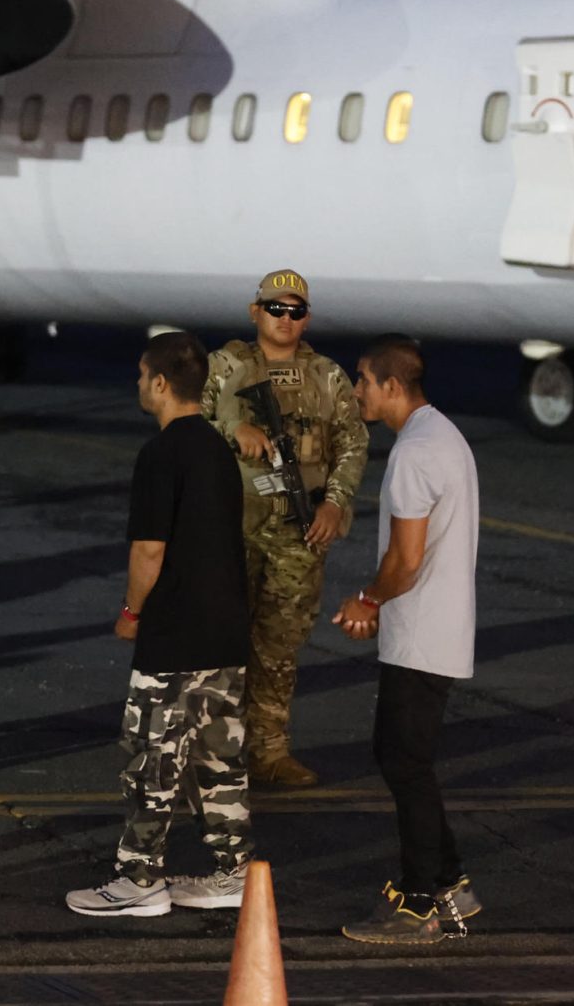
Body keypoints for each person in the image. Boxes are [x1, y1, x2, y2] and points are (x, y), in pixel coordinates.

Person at [65, 332, 255, 917]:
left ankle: (140, 878)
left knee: (152, 757)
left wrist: (130, 613)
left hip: (173, 635)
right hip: (225, 632)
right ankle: (234, 873)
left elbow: (149, 550)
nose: (138, 384)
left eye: (142, 375)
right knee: (219, 762)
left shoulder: (162, 454)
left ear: (161, 384)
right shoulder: (220, 449)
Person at [334, 335, 481, 945]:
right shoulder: (443, 435)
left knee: (405, 762)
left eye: (363, 380)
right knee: (402, 758)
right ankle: (450, 885)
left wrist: (367, 599)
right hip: (436, 630)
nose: (357, 390)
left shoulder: (415, 454)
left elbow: (406, 558)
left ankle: (420, 903)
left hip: (420, 635)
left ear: (392, 386)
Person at [201, 268, 368, 786]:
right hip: (233, 525)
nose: (286, 319)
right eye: (276, 308)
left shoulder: (327, 375)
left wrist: (335, 503)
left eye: (296, 311)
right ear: (256, 312)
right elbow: (185, 422)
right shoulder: (225, 366)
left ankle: (269, 754)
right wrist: (234, 427)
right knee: (219, 642)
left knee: (279, 645)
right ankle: (213, 757)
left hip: (300, 530)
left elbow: (353, 443)